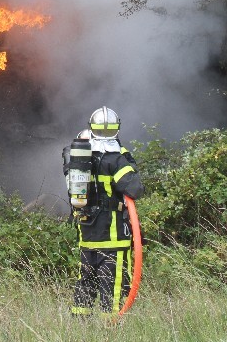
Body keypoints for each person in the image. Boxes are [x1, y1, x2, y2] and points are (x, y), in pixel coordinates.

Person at [68, 106, 144, 316]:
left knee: (85, 285)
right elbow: (135, 189)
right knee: (114, 288)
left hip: (87, 237)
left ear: (91, 128)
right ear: (116, 129)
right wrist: (128, 160)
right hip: (113, 240)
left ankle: (79, 329)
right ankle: (111, 330)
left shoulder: (82, 157)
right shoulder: (116, 159)